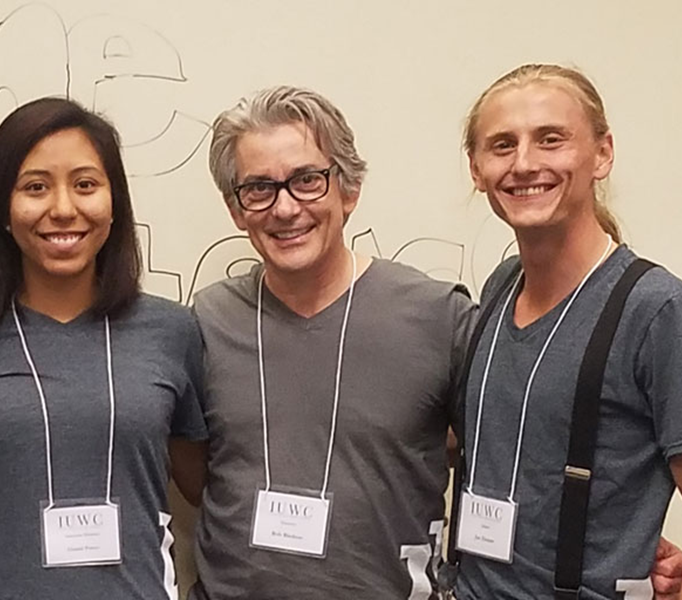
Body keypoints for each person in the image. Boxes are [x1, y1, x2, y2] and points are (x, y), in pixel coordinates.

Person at [453, 63, 682, 600]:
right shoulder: (500, 287)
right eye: (501, 145)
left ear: (602, 153)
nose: (524, 163)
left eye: (550, 140)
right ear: (475, 168)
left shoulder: (660, 312)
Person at [0, 96, 209, 599]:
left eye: (86, 185)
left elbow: (201, 485)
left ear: (115, 205)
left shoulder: (173, 333)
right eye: (35, 187)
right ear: (2, 209)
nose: (63, 209)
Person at [186, 86, 473, 600]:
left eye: (307, 180)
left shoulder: (436, 316)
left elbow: (510, 459)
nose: (285, 207)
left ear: (349, 189)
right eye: (259, 188)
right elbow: (192, 469)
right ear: (235, 209)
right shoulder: (207, 322)